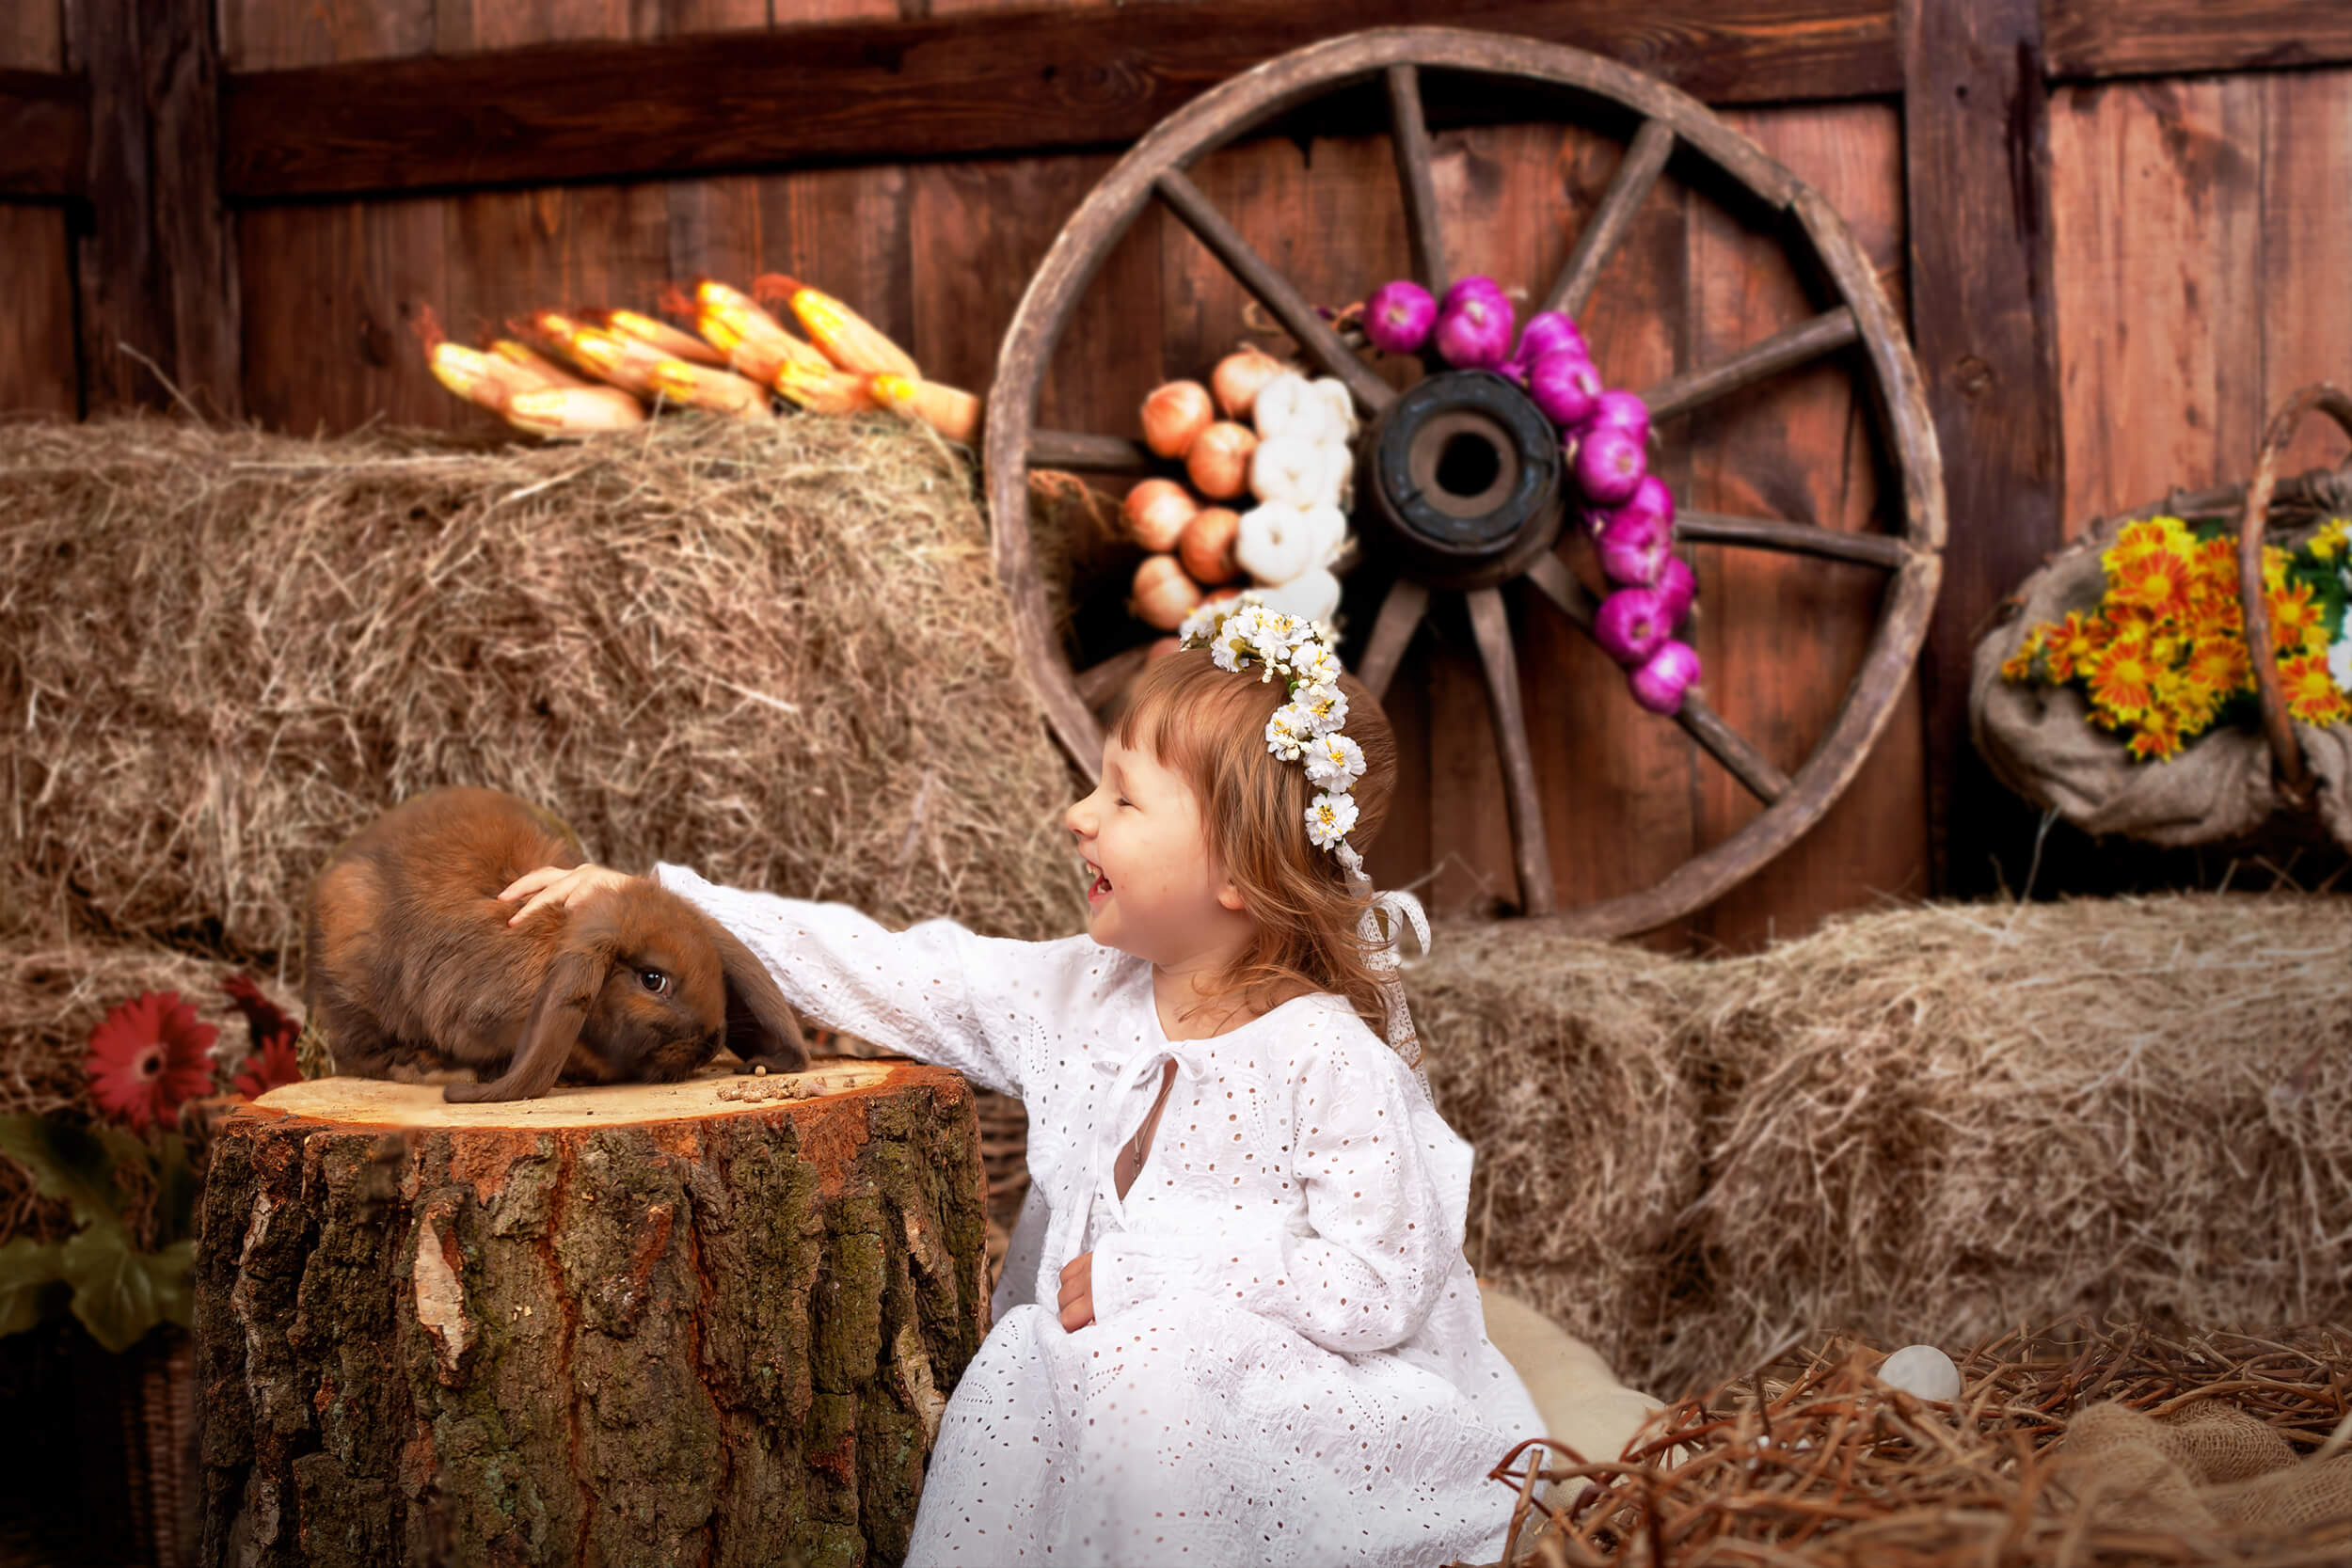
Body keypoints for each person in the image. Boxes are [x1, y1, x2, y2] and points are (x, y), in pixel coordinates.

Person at [498, 595, 1544, 1566]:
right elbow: (900, 969)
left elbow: (1377, 1284)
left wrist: (1154, 1277)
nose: (1080, 815)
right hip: (1085, 1393)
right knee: (1021, 1365)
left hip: (1272, 1414)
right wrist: (669, 907)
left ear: (1237, 869)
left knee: (1145, 1361)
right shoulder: (1083, 994)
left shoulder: (1327, 1060)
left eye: (1124, 798)